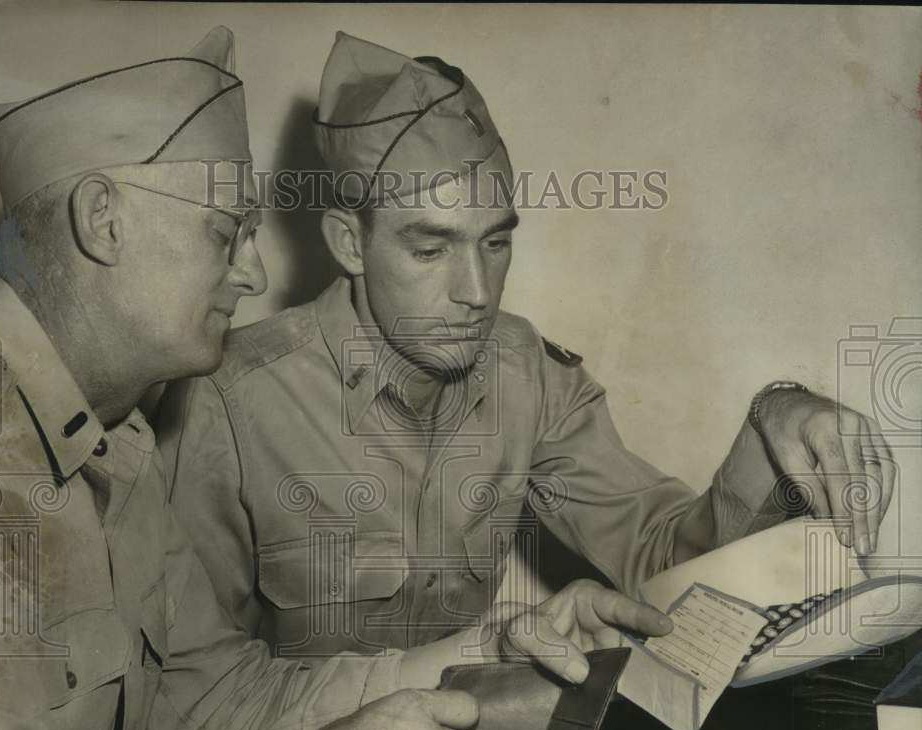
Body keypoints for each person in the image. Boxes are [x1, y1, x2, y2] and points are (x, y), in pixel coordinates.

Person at [0, 27, 659, 730]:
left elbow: (220, 701)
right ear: (103, 220)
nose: (256, 274)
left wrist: (491, 646)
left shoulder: (117, 442)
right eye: (225, 232)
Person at [155, 31, 895, 661]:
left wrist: (776, 414)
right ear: (349, 241)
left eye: (496, 241)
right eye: (430, 249)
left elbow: (663, 555)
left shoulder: (526, 378)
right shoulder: (226, 402)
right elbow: (193, 694)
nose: (476, 290)